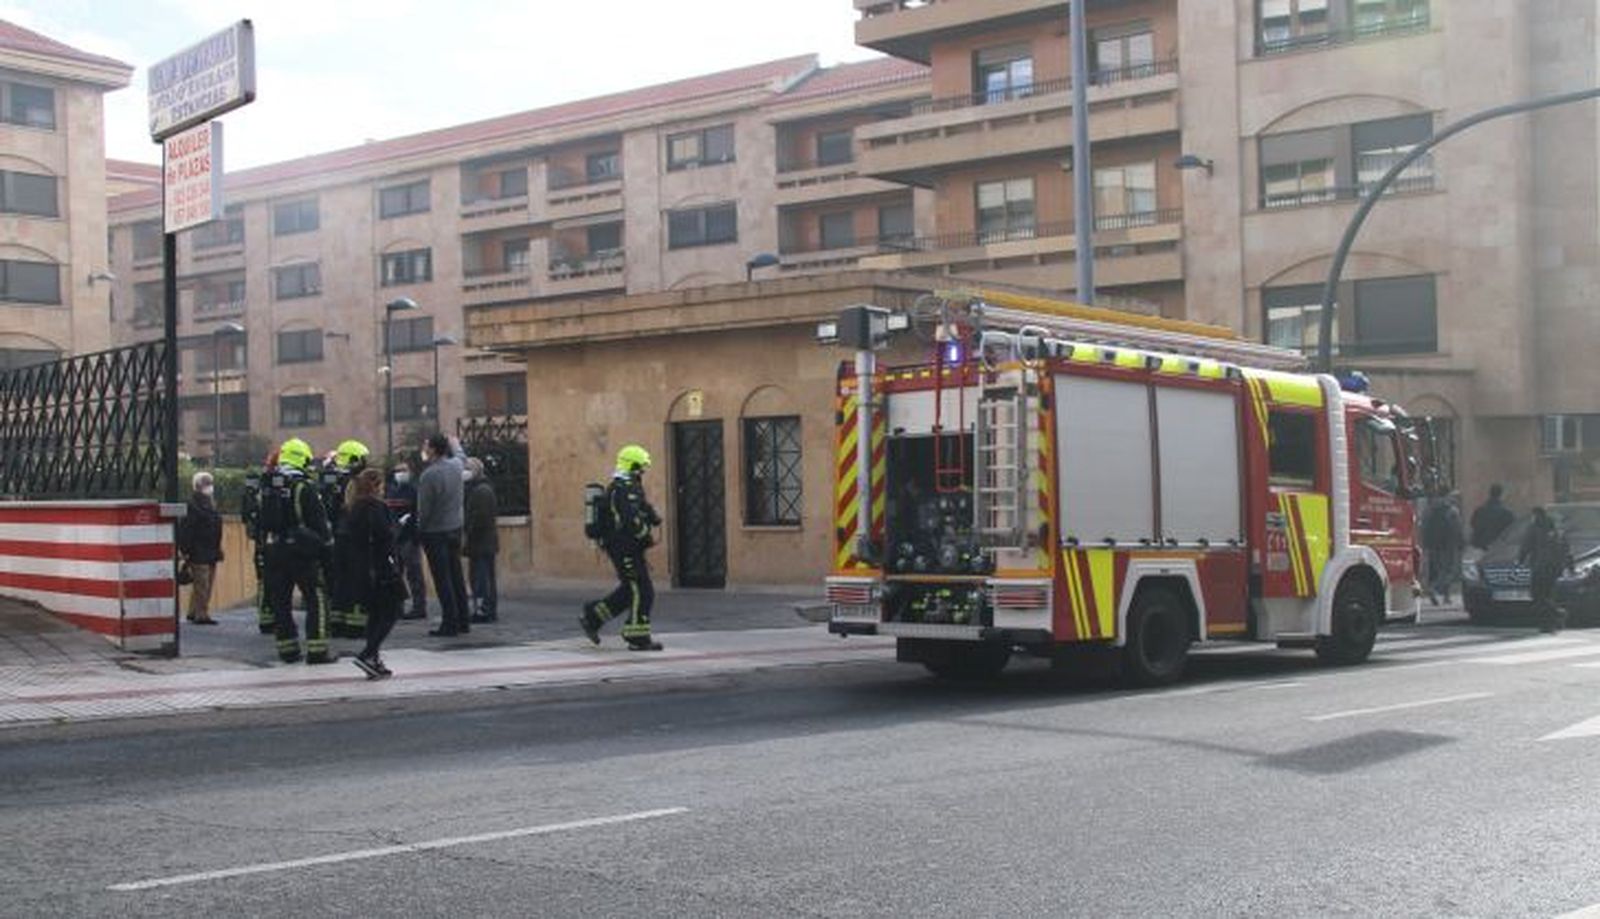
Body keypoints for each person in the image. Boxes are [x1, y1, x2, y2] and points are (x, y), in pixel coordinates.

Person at [581, 444, 664, 651]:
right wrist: (645, 535)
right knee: (643, 590)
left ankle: (593, 617)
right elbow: (630, 519)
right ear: (633, 466)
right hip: (624, 548)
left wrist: (653, 517)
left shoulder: (624, 487)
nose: (643, 472)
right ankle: (637, 637)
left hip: (622, 547)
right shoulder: (625, 489)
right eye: (641, 467)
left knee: (630, 590)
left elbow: (642, 506)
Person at [262, 437, 338, 664]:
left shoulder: (269, 486)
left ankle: (288, 650)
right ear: (303, 460)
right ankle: (318, 650)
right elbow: (320, 524)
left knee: (281, 603)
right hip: (302, 554)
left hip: (275, 551)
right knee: (316, 599)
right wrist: (327, 553)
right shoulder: (304, 487)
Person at [341, 467, 405, 679]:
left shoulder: (354, 507)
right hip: (381, 567)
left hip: (362, 569)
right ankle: (368, 653)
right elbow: (385, 535)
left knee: (376, 614)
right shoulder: (376, 507)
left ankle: (374, 658)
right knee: (392, 611)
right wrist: (398, 527)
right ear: (377, 486)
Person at [417, 432, 471, 637]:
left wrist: (420, 529)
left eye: (426, 446)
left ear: (432, 449)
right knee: (456, 576)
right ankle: (463, 620)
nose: (424, 449)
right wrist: (455, 442)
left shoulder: (429, 475)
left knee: (442, 579)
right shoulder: (456, 466)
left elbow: (425, 509)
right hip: (455, 528)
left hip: (435, 531)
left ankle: (450, 622)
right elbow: (461, 455)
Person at [324, 439, 371, 639]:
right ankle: (355, 625)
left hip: (338, 537)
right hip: (355, 537)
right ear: (354, 459)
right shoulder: (357, 482)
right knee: (357, 580)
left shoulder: (331, 480)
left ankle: (336, 623)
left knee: (339, 581)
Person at [177, 471, 223, 626]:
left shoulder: (210, 503)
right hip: (199, 551)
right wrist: (185, 550)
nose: (210, 486)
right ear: (197, 486)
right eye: (206, 483)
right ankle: (201, 614)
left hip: (211, 550)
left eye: (210, 483)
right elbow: (187, 529)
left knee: (204, 583)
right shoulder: (193, 505)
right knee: (202, 584)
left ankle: (194, 611)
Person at [386, 458, 427, 621]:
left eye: (404, 470)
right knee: (396, 574)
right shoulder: (390, 490)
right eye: (398, 471)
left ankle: (419, 607)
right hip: (394, 538)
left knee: (414, 573)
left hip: (409, 537)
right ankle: (398, 607)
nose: (401, 474)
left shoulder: (414, 490)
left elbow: (418, 514)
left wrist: (415, 535)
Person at [1520, 507, 1573, 633]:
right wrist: (1571, 567)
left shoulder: (1534, 528)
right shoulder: (1558, 529)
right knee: (1548, 595)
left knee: (1537, 595)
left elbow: (1526, 545)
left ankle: (1555, 615)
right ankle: (1553, 621)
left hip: (1540, 567)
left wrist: (1520, 560)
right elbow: (1567, 550)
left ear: (1536, 515)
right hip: (1555, 568)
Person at [463, 457, 500, 624]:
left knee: (482, 578)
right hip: (482, 542)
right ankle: (484, 609)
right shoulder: (477, 489)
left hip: (482, 542)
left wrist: (469, 533)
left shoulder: (481, 491)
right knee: (480, 578)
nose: (465, 471)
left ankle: (485, 610)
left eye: (468, 468)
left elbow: (480, 519)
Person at [1421, 494, 1464, 606]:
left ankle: (1446, 597)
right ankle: (1434, 588)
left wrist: (1425, 545)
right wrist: (1461, 543)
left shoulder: (1429, 510)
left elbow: (1424, 528)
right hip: (1448, 545)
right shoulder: (1452, 511)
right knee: (1449, 571)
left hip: (1433, 546)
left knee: (1440, 570)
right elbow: (1457, 528)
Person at [1470, 483, 1515, 551]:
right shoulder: (1507, 514)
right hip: (1498, 549)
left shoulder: (1479, 511)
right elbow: (1511, 531)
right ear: (1501, 495)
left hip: (1479, 548)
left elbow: (1473, 525)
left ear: (1490, 493)